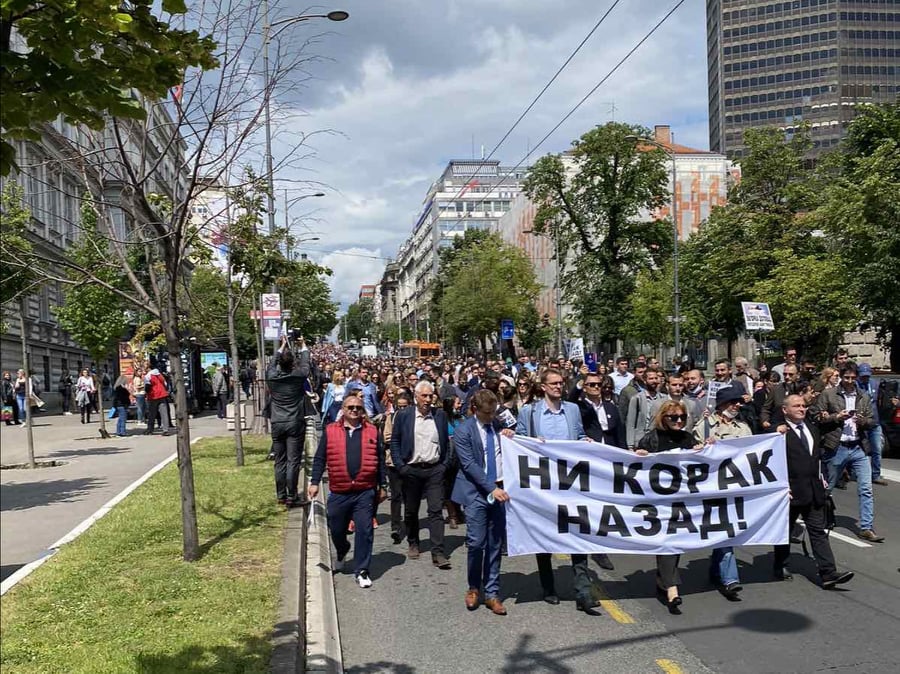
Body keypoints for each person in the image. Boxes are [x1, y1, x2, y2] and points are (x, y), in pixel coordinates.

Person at [516, 368, 602, 616]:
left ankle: (583, 592)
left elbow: (578, 436)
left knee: (578, 534)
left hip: (570, 484)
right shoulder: (529, 412)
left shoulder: (572, 410)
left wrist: (584, 441)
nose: (558, 386)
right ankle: (548, 586)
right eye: (553, 383)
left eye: (561, 383)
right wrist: (520, 438)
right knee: (544, 535)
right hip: (542, 486)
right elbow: (521, 444)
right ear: (543, 386)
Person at [773, 395, 855, 588]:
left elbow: (818, 458)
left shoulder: (811, 428)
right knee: (785, 531)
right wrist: (780, 487)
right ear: (785, 410)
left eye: (803, 406)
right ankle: (780, 564)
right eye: (796, 406)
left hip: (813, 489)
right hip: (790, 491)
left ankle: (828, 574)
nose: (802, 409)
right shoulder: (778, 432)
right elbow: (770, 462)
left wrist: (824, 481)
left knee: (817, 531)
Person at [308, 394, 387, 589]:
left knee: (365, 530)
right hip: (339, 491)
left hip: (364, 491)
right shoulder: (330, 431)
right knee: (336, 529)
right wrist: (315, 482)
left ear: (362, 411)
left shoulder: (372, 431)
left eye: (358, 408)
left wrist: (383, 485)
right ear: (342, 409)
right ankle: (342, 549)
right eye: (350, 407)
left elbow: (380, 461)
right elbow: (320, 458)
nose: (354, 410)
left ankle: (362, 569)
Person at [636, 400, 706, 615]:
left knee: (676, 542)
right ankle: (672, 590)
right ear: (662, 418)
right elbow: (634, 465)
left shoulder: (687, 438)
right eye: (673, 417)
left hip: (682, 501)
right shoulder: (651, 438)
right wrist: (639, 455)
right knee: (667, 542)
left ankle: (662, 580)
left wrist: (703, 450)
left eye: (682, 418)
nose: (678, 421)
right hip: (657, 502)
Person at [452, 389, 511, 616]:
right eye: (487, 413)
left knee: (495, 542)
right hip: (477, 492)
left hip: (499, 488)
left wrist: (509, 435)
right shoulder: (463, 431)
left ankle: (492, 592)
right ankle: (474, 587)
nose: (491, 417)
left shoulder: (498, 424)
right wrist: (491, 488)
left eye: (494, 412)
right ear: (476, 410)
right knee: (477, 543)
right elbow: (469, 466)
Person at [814, 363, 883, 542]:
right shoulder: (828, 395)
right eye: (847, 378)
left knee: (866, 488)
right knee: (828, 487)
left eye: (853, 378)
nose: (850, 381)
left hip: (858, 447)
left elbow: (872, 420)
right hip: (837, 447)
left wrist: (863, 421)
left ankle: (866, 527)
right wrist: (835, 417)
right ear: (841, 377)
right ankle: (818, 520)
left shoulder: (863, 396)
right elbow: (816, 416)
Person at [693, 387, 749, 601]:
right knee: (723, 529)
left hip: (735, 486)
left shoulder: (743, 428)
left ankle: (717, 570)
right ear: (721, 405)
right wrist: (705, 447)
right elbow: (695, 454)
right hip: (712, 487)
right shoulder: (704, 427)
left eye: (738, 403)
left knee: (727, 530)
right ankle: (730, 579)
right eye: (732, 402)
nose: (737, 406)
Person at [390, 380, 452, 569]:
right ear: (416, 397)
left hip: (434, 470)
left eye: (430, 396)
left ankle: (438, 551)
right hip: (412, 470)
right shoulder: (404, 415)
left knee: (435, 510)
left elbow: (446, 443)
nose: (427, 399)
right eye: (424, 396)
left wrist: (444, 465)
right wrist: (401, 466)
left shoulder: (439, 415)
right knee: (411, 510)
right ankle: (414, 541)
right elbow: (395, 441)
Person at [267, 335, 311, 507]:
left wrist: (281, 346)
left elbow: (272, 362)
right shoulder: (299, 375)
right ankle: (292, 496)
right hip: (294, 421)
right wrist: (303, 345)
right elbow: (306, 363)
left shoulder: (272, 376)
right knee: (293, 460)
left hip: (277, 421)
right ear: (293, 363)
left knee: (280, 460)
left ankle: (280, 495)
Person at [383, 390, 411, 543]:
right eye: (399, 406)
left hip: (409, 462)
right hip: (393, 462)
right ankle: (395, 525)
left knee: (409, 496)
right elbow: (387, 437)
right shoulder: (390, 418)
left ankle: (408, 523)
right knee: (396, 495)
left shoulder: (414, 419)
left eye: (404, 406)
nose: (402, 409)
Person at [568, 373, 625, 448]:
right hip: (590, 449)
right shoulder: (580, 407)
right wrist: (578, 387)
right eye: (592, 384)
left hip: (610, 449)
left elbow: (619, 432)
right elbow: (570, 401)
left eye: (599, 384)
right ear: (584, 388)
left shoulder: (611, 407)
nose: (596, 387)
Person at [857, 363, 888, 487]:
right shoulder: (855, 385)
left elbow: (881, 400)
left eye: (867, 376)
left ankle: (876, 474)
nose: (865, 378)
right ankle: (857, 473)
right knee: (860, 450)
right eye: (863, 376)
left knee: (877, 449)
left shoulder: (875, 383)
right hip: (861, 423)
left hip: (875, 422)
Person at [626, 366, 670, 450]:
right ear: (645, 381)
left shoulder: (664, 398)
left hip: (658, 440)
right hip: (640, 440)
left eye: (656, 378)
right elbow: (630, 423)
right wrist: (630, 445)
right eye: (651, 378)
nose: (654, 381)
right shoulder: (637, 398)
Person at [144, 362, 172, 436]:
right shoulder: (159, 374)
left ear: (148, 368)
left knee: (152, 414)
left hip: (153, 396)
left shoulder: (148, 376)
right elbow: (165, 383)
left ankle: (150, 430)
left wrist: (146, 393)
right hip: (162, 394)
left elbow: (148, 387)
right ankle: (166, 430)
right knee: (164, 413)